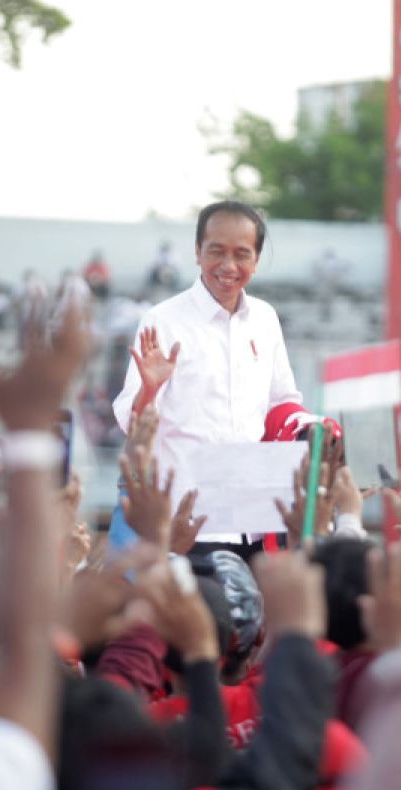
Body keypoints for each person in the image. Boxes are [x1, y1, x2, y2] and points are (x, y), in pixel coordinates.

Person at [112, 201, 311, 560]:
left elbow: (283, 403)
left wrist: (318, 435)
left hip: (255, 520)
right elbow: (133, 426)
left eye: (242, 254)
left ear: (257, 258)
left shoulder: (264, 319)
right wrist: (150, 389)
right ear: (197, 251)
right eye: (216, 251)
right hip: (186, 526)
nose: (228, 266)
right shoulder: (162, 320)